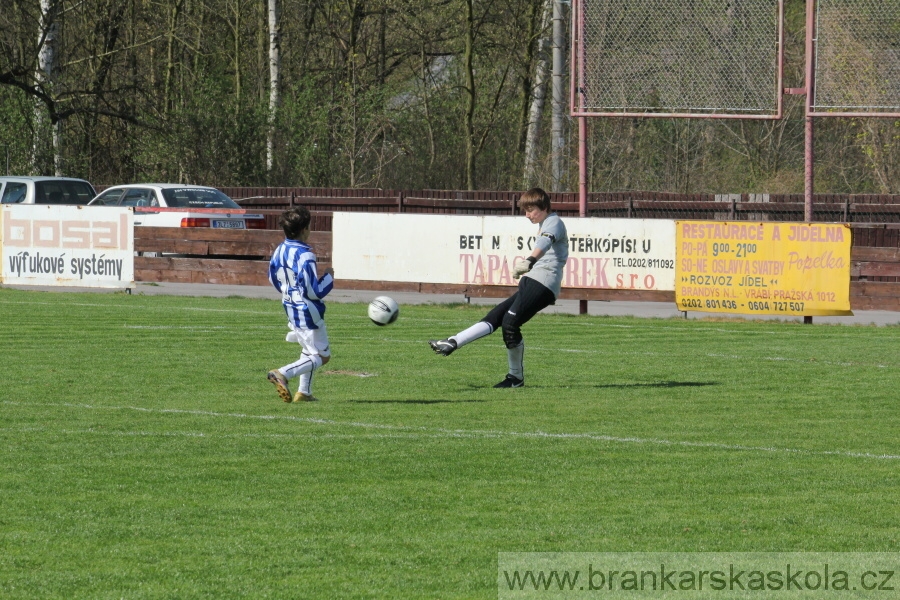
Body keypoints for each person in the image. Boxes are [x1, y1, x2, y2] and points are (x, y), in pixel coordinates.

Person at [429, 187, 568, 388]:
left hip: (543, 284)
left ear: (544, 207)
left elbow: (546, 241)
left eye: (531, 210)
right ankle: (453, 341)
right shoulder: (547, 222)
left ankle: (515, 378)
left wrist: (530, 260)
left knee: (510, 323)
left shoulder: (553, 222)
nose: (527, 215)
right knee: (496, 316)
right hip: (534, 281)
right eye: (525, 211)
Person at [267, 206, 335, 402]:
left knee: (308, 349)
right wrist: (329, 277)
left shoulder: (280, 250)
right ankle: (283, 373)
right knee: (322, 356)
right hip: (308, 311)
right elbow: (313, 290)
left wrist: (289, 292)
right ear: (305, 229)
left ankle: (304, 392)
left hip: (290, 306)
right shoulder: (305, 255)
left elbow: (273, 278)